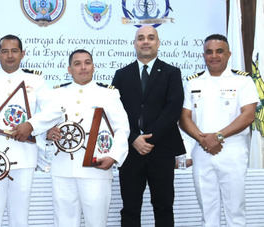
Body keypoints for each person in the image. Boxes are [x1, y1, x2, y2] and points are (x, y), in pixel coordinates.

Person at [0, 34, 51, 227]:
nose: (9, 55)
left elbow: (54, 110)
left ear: (23, 54)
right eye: (5, 51)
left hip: (24, 155)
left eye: (14, 51)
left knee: (20, 217)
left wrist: (31, 125)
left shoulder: (36, 80)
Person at [179, 34, 258, 227]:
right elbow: (184, 117)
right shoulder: (193, 82)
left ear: (229, 54)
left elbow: (248, 115)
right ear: (203, 55)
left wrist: (218, 136)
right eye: (209, 52)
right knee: (207, 210)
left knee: (235, 211)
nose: (214, 56)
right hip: (202, 151)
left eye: (219, 51)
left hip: (232, 151)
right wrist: (203, 139)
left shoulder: (243, 81)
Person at [111, 25, 186, 226]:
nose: (146, 41)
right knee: (130, 208)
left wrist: (149, 138)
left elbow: (173, 109)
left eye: (151, 38)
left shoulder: (172, 73)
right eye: (141, 38)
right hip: (131, 150)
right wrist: (134, 138)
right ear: (134, 44)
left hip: (161, 149)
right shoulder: (121, 74)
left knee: (163, 206)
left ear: (158, 43)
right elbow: (116, 112)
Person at [45, 49, 129, 227]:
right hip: (63, 169)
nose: (83, 67)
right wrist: (47, 133)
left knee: (96, 222)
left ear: (94, 66)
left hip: (96, 169)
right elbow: (44, 124)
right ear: (69, 69)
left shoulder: (108, 94)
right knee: (64, 222)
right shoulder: (57, 94)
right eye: (77, 64)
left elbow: (122, 128)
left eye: (87, 63)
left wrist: (114, 156)